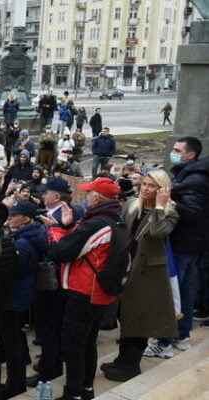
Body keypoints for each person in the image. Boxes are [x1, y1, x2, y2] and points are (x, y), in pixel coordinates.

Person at [48, 177, 122, 400]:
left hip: (84, 292)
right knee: (88, 341)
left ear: (97, 197)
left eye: (89, 192)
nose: (85, 196)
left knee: (73, 345)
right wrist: (71, 226)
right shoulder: (114, 218)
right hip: (100, 293)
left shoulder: (96, 223)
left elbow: (61, 252)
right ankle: (86, 388)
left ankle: (73, 393)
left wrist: (58, 231)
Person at [101, 169, 178, 381]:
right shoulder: (132, 205)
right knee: (125, 315)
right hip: (127, 267)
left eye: (152, 186)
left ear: (162, 189)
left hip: (147, 274)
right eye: (144, 184)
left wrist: (160, 206)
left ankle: (130, 365)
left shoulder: (169, 211)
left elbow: (157, 232)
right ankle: (122, 359)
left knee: (139, 319)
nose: (145, 188)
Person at [148, 137, 209, 356]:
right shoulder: (191, 174)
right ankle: (181, 336)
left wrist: (168, 203)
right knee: (185, 291)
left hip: (184, 244)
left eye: (177, 150)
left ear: (190, 154)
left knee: (171, 292)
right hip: (193, 244)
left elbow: (193, 213)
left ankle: (164, 342)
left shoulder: (196, 180)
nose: (173, 152)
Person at [1, 201, 48, 398]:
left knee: (13, 344)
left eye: (14, 215)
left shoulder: (22, 242)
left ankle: (15, 384)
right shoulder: (30, 235)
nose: (10, 218)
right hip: (22, 295)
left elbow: (16, 271)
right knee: (16, 342)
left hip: (16, 298)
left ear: (26, 218)